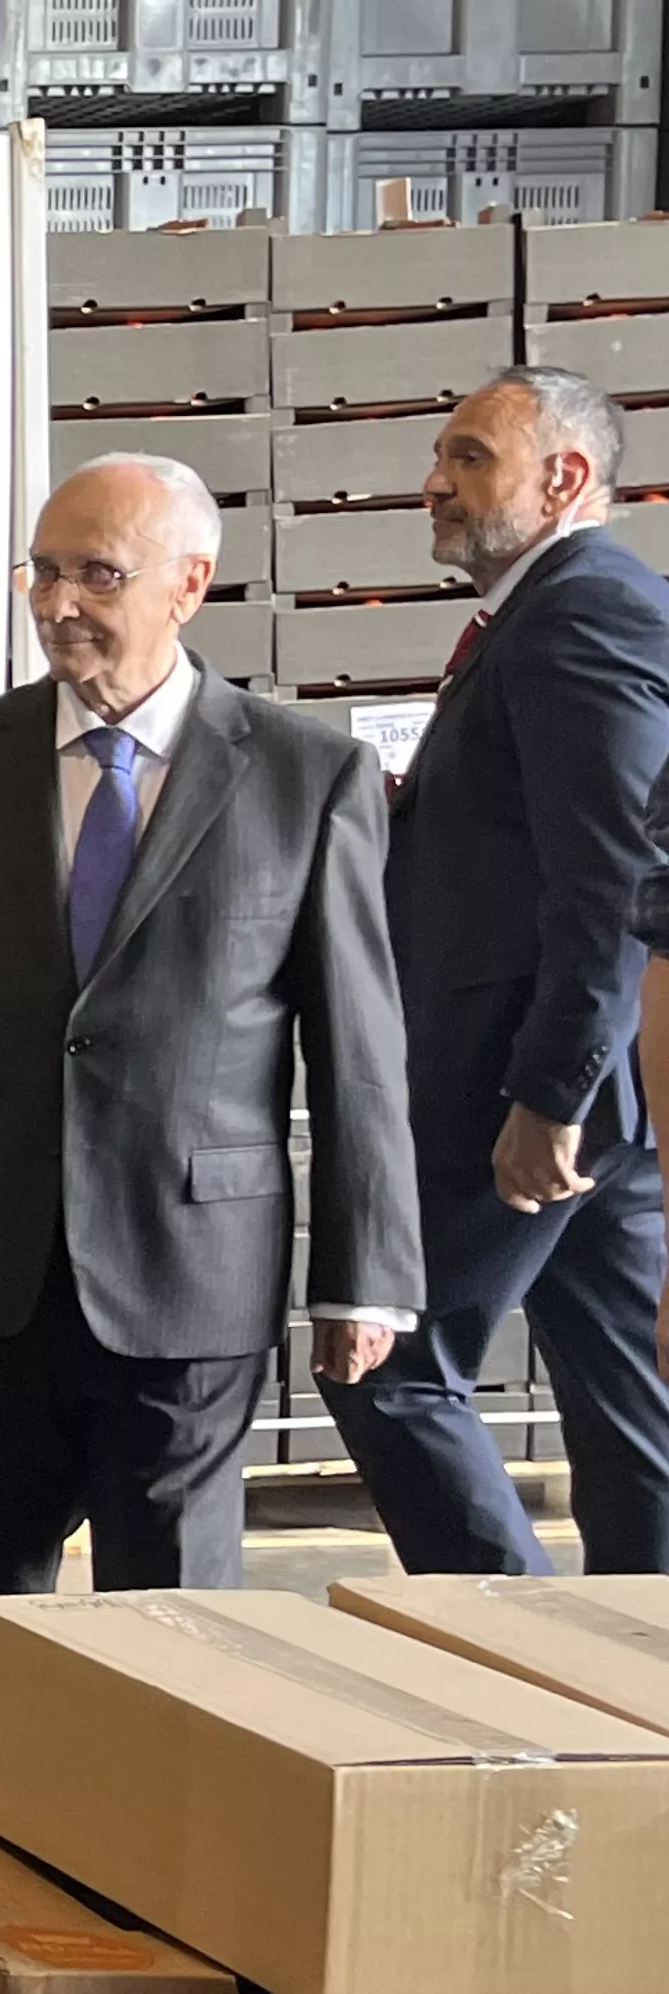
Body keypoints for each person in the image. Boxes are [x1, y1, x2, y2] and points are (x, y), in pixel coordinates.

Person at [0, 455, 421, 1593]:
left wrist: (365, 1274)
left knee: (173, 1618)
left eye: (98, 576)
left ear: (190, 583)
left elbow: (358, 1044)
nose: (58, 604)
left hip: (191, 1270)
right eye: (44, 572)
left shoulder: (306, 776)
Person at [324, 367, 669, 1579]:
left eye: (469, 456)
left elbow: (616, 873)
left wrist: (553, 1093)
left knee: (386, 1365)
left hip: (523, 1088)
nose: (435, 481)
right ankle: (639, 1690)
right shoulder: (550, 611)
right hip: (583, 1090)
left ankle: (504, 1640)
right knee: (628, 1404)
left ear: (564, 477)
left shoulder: (582, 610)